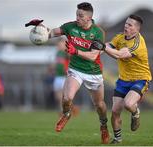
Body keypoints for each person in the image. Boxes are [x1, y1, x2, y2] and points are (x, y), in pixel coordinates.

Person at [25, 2, 109, 144]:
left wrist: (75, 51)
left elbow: (93, 56)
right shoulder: (70, 27)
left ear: (89, 17)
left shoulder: (98, 32)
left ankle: (104, 126)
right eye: (76, 14)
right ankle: (66, 114)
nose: (77, 18)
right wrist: (40, 29)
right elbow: (52, 33)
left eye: (81, 16)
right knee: (66, 98)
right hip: (76, 69)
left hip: (94, 72)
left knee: (100, 105)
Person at [90, 14, 152, 144]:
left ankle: (135, 113)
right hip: (123, 80)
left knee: (129, 104)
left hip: (140, 79)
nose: (126, 26)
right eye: (126, 23)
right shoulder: (120, 37)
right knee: (115, 110)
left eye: (130, 25)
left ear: (137, 29)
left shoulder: (137, 43)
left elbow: (119, 55)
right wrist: (95, 49)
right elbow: (110, 46)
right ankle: (117, 139)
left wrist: (103, 47)